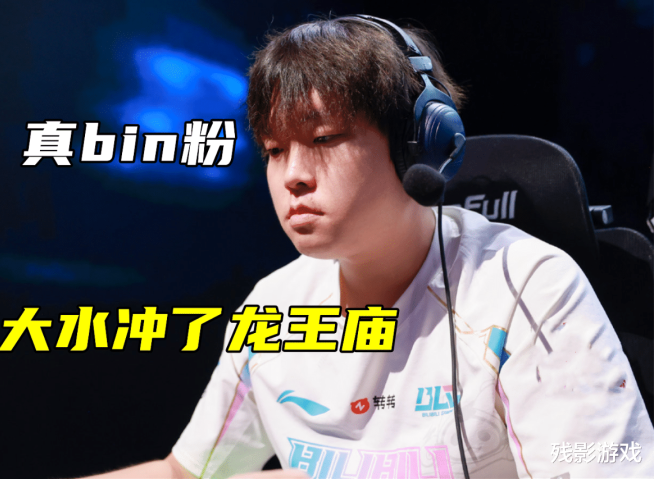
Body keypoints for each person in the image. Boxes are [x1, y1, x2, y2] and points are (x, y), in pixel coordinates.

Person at [82, 15, 654, 479]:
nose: (293, 176)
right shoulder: (273, 306)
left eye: (324, 138)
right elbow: (184, 473)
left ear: (419, 144)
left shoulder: (527, 286)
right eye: (275, 150)